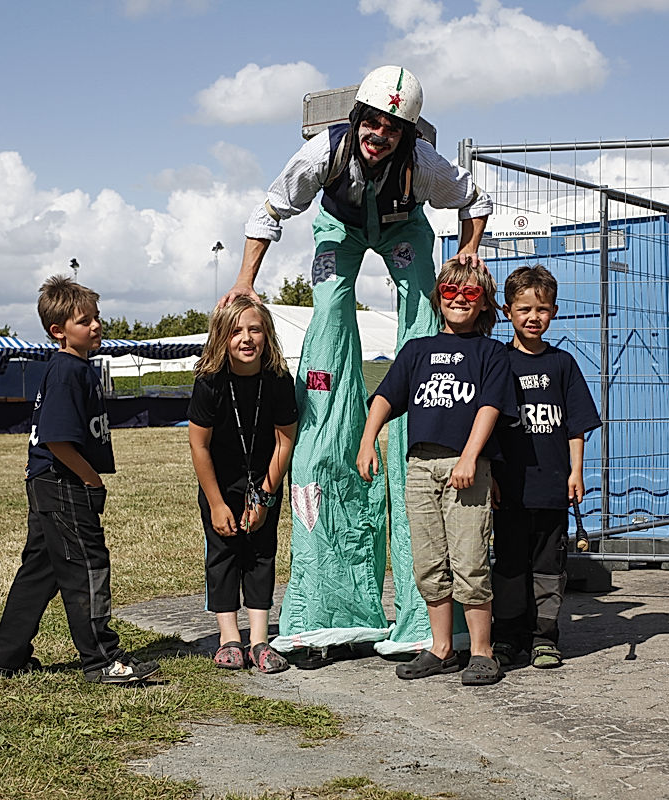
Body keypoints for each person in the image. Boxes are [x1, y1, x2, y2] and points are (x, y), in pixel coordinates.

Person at [220, 66, 493, 660]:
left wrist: (469, 248)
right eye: (371, 122)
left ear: (406, 132)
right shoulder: (324, 153)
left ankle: (428, 619)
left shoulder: (424, 165)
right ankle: (332, 605)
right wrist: (245, 281)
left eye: (391, 127)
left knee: (422, 314)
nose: (378, 134)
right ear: (357, 121)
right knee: (331, 311)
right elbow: (269, 209)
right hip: (339, 231)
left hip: (401, 231)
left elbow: (476, 199)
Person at [0, 276, 160, 684]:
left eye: (97, 318)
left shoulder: (78, 367)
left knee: (41, 571)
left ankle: (7, 658)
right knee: (88, 566)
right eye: (85, 321)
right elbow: (58, 439)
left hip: (49, 483)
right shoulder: (67, 371)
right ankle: (102, 660)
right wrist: (93, 482)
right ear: (58, 331)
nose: (96, 326)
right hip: (63, 482)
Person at [356, 258, 510, 685]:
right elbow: (387, 396)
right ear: (437, 297)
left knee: (470, 561)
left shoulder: (491, 353)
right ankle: (441, 648)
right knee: (428, 563)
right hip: (420, 467)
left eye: (470, 294)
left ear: (484, 304)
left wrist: (469, 457)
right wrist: (369, 439)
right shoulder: (417, 350)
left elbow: (489, 408)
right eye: (449, 292)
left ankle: (482, 652)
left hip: (466, 468)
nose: (459, 299)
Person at [491, 265, 601, 670]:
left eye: (541, 309)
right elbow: (486, 426)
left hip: (552, 487)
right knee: (508, 566)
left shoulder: (563, 364)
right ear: (507, 311)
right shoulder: (497, 361)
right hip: (510, 487)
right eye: (524, 309)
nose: (532, 317)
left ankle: (544, 637)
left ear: (553, 311)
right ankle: (506, 636)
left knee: (548, 567)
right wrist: (491, 477)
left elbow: (576, 426)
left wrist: (576, 472)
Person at [188, 297, 299, 674]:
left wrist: (265, 496)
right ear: (222, 336)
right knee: (222, 553)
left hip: (264, 478)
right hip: (220, 481)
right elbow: (198, 445)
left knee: (260, 552)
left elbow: (285, 441)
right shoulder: (209, 382)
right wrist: (217, 503)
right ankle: (228, 638)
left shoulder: (279, 379)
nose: (246, 338)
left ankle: (258, 640)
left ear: (267, 334)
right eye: (236, 331)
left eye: (254, 329)